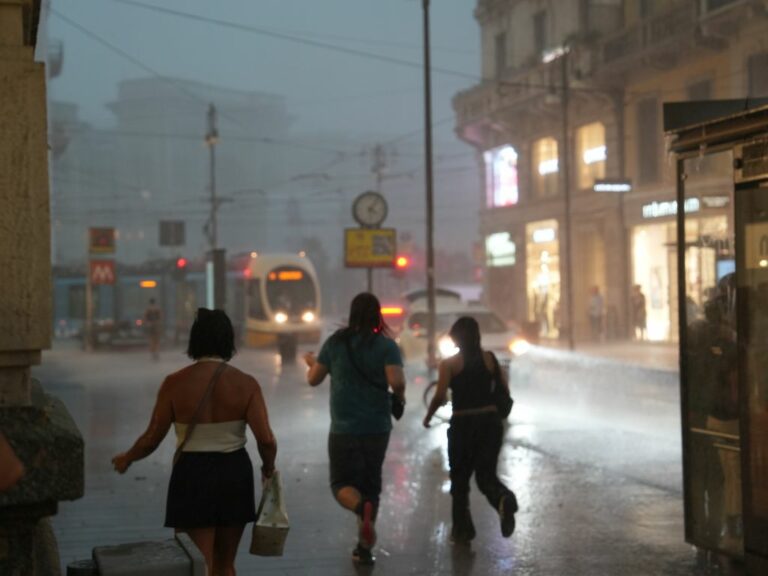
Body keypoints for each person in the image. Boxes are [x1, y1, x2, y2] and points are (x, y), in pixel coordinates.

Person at [112, 308, 277, 576]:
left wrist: (127, 457)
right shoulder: (246, 385)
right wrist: (268, 468)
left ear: (195, 341)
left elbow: (152, 437)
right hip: (234, 474)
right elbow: (267, 440)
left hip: (193, 474)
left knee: (196, 565)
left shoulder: (174, 384)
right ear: (228, 341)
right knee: (225, 565)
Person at [303, 292, 406, 566]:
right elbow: (396, 381)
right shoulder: (386, 346)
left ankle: (361, 508)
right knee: (371, 485)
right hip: (377, 428)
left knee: (341, 484)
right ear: (377, 314)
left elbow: (314, 380)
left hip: (344, 428)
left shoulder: (335, 343)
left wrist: (312, 363)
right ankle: (363, 547)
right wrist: (400, 397)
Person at [423, 316, 517, 544]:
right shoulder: (490, 360)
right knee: (486, 477)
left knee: (460, 480)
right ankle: (502, 498)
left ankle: (463, 530)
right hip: (491, 424)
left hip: (463, 426)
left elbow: (439, 395)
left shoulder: (450, 364)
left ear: (456, 338)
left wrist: (428, 417)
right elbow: (504, 389)